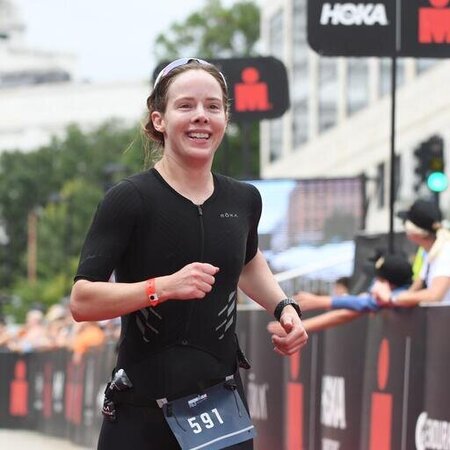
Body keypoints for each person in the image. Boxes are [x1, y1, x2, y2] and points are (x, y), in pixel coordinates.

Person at [70, 57, 307, 450]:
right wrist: (162, 287)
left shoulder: (243, 199)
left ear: (225, 119)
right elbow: (82, 301)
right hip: (142, 408)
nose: (201, 116)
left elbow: (247, 261)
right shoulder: (130, 199)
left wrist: (284, 307)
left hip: (220, 410)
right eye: (186, 106)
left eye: (213, 106)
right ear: (159, 119)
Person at [268, 254, 413, 336]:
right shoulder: (384, 296)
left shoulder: (396, 296)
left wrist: (320, 301)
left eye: (379, 279)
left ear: (390, 284)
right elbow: (355, 306)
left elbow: (357, 306)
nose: (374, 284)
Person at [373, 198, 450, 306]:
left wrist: (393, 297)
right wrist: (396, 298)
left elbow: (434, 295)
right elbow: (418, 285)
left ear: (413, 231)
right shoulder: (432, 251)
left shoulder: (445, 252)